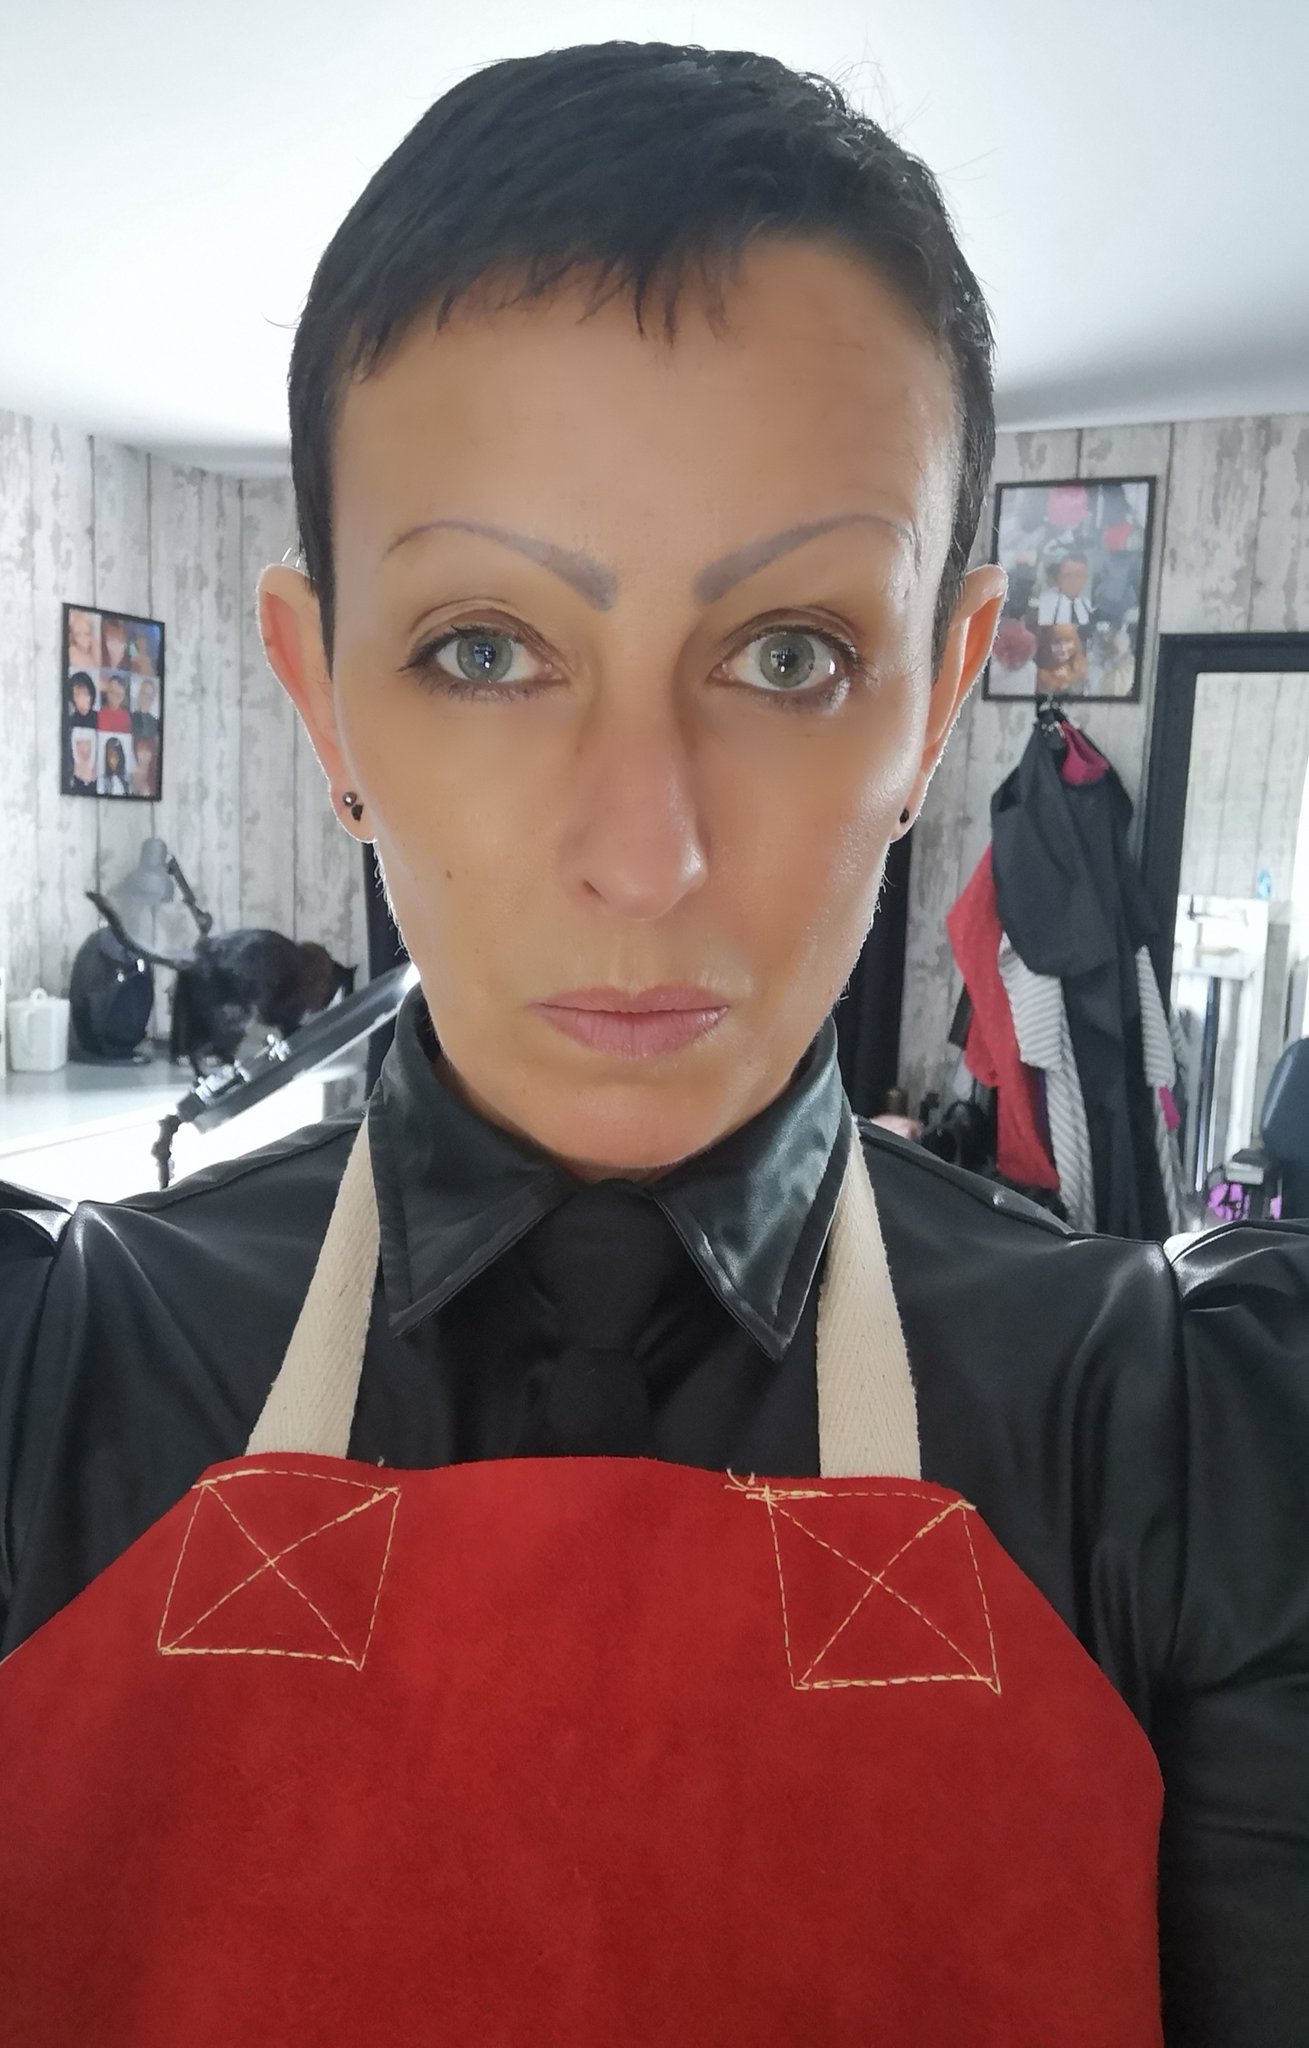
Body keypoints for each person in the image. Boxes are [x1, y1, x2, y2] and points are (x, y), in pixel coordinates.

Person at [0, 44, 1305, 2048]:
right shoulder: (46, 1391)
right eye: (484, 648)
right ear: (324, 700)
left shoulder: (1178, 1447)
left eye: (789, 654)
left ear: (935, 695)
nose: (645, 853)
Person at [1036, 551, 1093, 631]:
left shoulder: (1088, 606)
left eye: (1078, 575)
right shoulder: (1045, 603)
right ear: (1059, 577)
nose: (1073, 580)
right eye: (1068, 575)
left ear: (1085, 578)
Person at [66, 607, 99, 671]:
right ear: (72, 636)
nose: (83, 639)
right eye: (78, 634)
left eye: (87, 634)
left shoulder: (94, 650)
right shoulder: (72, 653)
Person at [65, 727, 97, 792]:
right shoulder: (70, 777)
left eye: (87, 743)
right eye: (79, 743)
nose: (82, 748)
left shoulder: (98, 776)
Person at [131, 673, 160, 742]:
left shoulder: (155, 723)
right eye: (143, 693)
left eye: (149, 696)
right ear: (138, 694)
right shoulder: (129, 717)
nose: (145, 698)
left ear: (152, 699)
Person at [129, 729, 158, 797]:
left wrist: (143, 787)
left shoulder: (157, 774)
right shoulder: (131, 777)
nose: (143, 753)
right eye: (141, 748)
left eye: (147, 749)